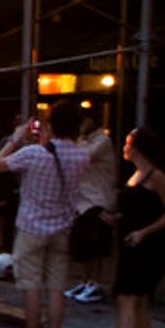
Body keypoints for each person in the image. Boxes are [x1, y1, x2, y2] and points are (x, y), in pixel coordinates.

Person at [0, 107, 89, 328]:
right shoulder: (82, 157)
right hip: (62, 227)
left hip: (32, 226)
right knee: (56, 288)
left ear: (50, 126)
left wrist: (15, 137)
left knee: (31, 286)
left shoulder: (33, 154)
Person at [96, 128, 165, 328]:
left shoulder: (159, 177)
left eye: (129, 143)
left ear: (139, 148)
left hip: (149, 246)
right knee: (140, 302)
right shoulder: (136, 175)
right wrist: (115, 219)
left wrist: (144, 232)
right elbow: (137, 209)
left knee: (127, 297)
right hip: (131, 244)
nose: (125, 147)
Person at [67, 105, 119, 304]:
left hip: (98, 199)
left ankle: (95, 283)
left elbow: (80, 157)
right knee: (82, 244)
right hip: (82, 201)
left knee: (95, 244)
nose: (81, 125)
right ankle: (86, 280)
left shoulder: (102, 141)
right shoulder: (81, 140)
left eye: (84, 120)